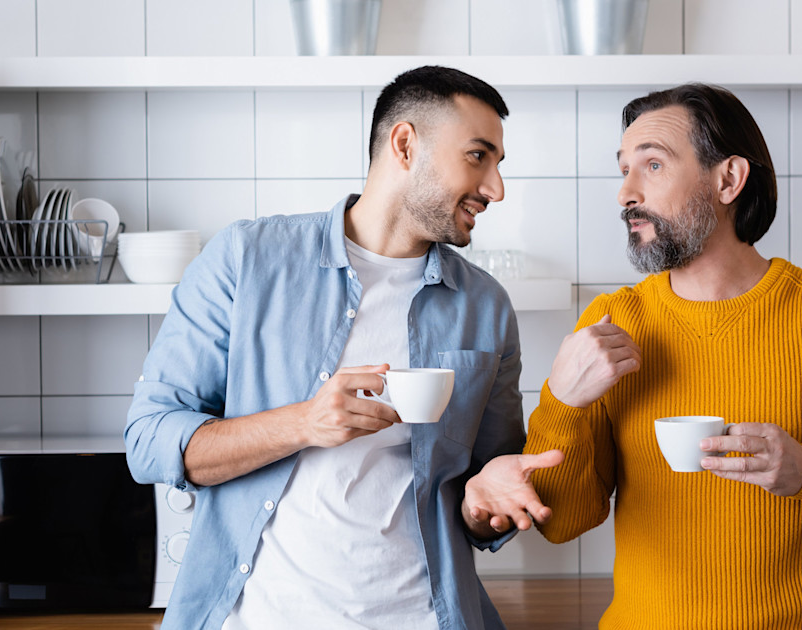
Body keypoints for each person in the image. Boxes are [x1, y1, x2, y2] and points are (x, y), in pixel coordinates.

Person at [462, 83, 802, 629]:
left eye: (652, 165)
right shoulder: (613, 323)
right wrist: (564, 401)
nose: (626, 192)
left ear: (728, 179)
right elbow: (560, 518)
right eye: (623, 168)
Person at [126, 65, 525, 630]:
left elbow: (484, 494)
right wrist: (304, 423)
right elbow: (148, 441)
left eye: (498, 165)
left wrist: (488, 507)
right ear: (406, 145)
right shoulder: (246, 260)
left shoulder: (486, 307)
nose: (495, 189)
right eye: (478, 156)